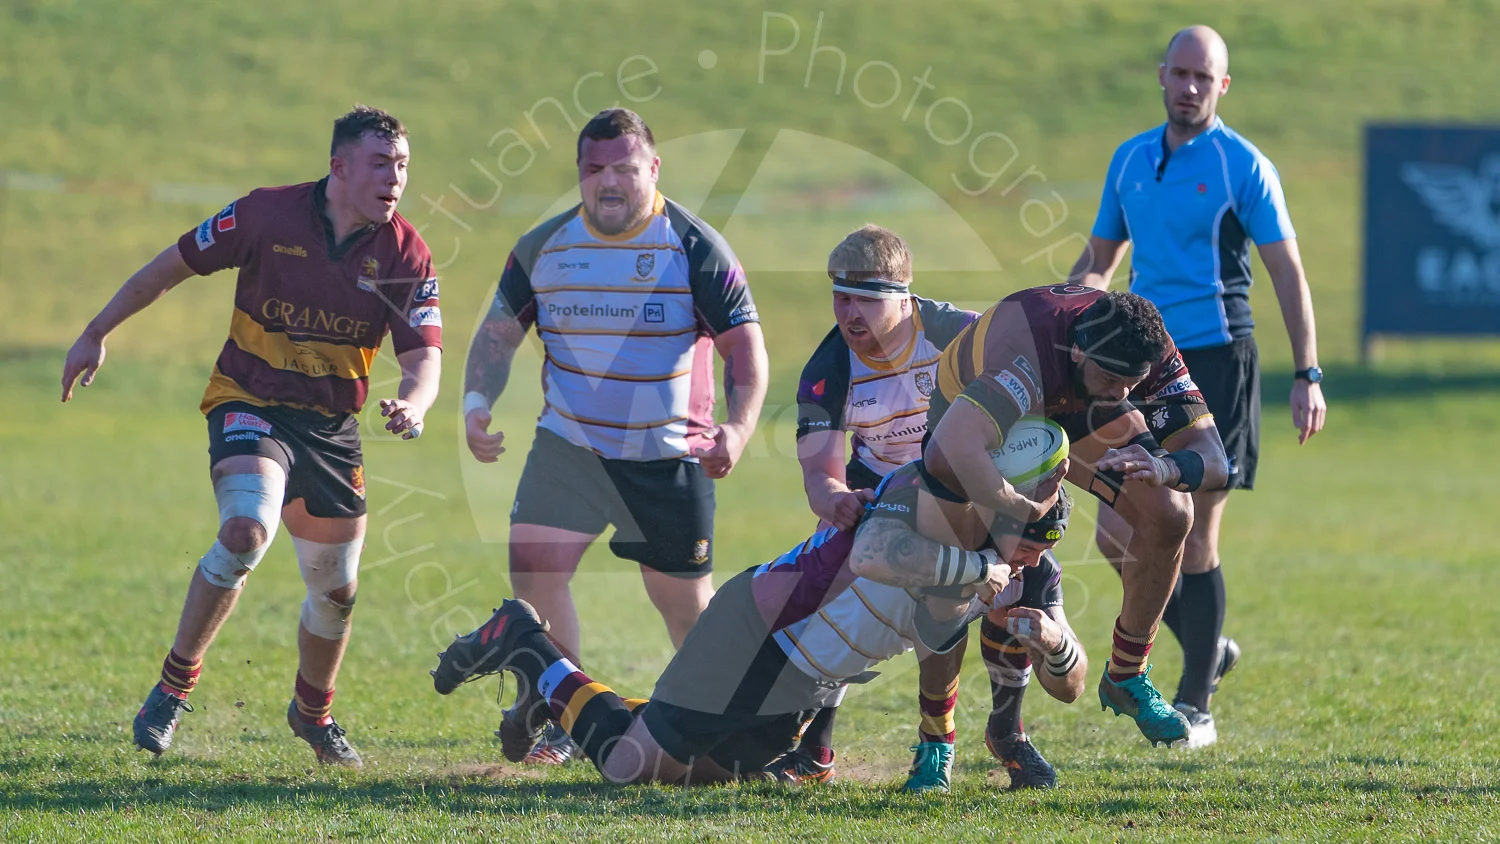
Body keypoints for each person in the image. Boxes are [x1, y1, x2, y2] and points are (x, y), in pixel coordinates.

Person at [60, 106, 442, 767]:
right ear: (340, 168)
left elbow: (424, 356)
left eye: (403, 165)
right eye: (381, 164)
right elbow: (170, 266)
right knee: (246, 530)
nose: (396, 178)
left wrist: (415, 403)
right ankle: (174, 686)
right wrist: (97, 331)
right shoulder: (265, 216)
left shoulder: (404, 252)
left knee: (336, 591)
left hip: (330, 429)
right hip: (250, 402)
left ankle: (312, 714)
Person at [429, 459, 1087, 787]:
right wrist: (975, 570)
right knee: (630, 766)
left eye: (1040, 548)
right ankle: (525, 644)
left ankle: (562, 694)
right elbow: (874, 555)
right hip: (760, 632)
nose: (1030, 559)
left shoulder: (1028, 570)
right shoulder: (923, 501)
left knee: (696, 775)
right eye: (1023, 542)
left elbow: (1072, 685)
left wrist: (1053, 641)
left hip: (804, 680)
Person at [461, 108, 768, 764]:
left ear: (652, 170)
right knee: (535, 577)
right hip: (569, 449)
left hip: (664, 457)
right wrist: (476, 403)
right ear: (578, 173)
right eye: (594, 168)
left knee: (686, 609)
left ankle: (723, 727)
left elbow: (747, 351)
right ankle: (564, 720)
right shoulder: (544, 246)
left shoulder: (692, 246)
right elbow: (496, 335)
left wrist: (738, 430)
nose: (608, 181)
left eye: (624, 168)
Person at [1068, 25, 1326, 747]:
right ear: (1161, 75)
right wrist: (1067, 307)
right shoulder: (1129, 160)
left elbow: (1287, 272)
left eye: (1202, 78)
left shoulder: (1244, 165)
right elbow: (1099, 258)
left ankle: (1194, 702)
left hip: (1216, 361)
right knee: (1119, 535)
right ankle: (1209, 647)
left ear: (1222, 86)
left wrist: (1307, 373)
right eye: (1178, 74)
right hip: (1140, 364)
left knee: (1196, 529)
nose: (1188, 88)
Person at [922, 285, 1229, 747]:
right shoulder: (1028, 354)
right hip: (965, 412)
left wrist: (1165, 466)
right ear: (1081, 350)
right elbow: (947, 453)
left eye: (1132, 383)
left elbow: (1215, 459)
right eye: (1111, 378)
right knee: (960, 574)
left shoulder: (1144, 342)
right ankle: (936, 742)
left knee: (1171, 513)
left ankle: (1127, 675)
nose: (1123, 394)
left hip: (1067, 397)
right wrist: (1019, 507)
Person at [777, 223, 978, 782]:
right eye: (841, 298)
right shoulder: (829, 368)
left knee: (1022, 593)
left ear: (903, 296)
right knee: (826, 594)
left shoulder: (958, 334)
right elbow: (820, 473)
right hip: (880, 494)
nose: (850, 314)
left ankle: (1008, 736)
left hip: (965, 488)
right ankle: (815, 748)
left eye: (866, 299)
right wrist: (836, 499)